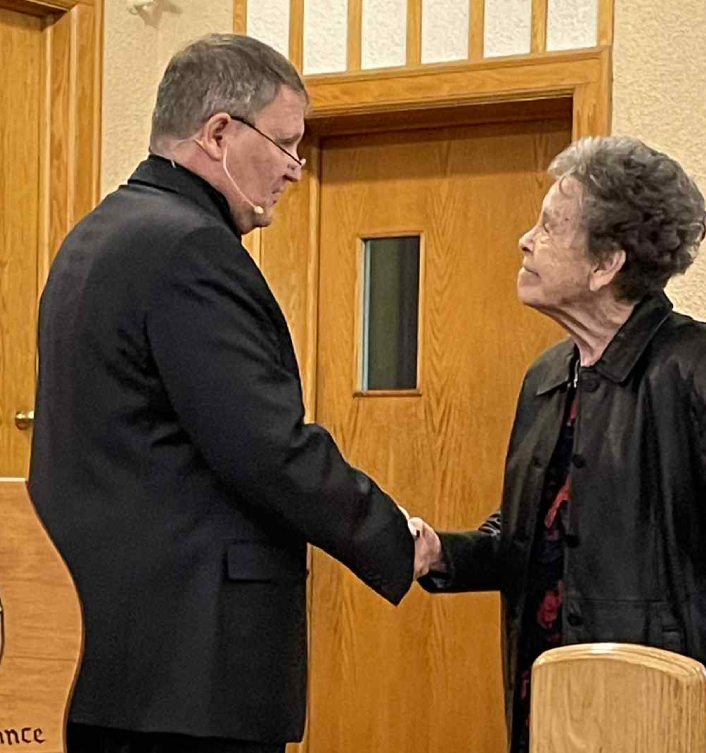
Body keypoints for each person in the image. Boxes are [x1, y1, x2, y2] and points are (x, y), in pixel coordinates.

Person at [409, 136, 706, 752]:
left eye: (549, 227)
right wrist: (440, 553)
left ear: (606, 264)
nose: (525, 241)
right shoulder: (546, 375)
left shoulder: (694, 364)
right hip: (547, 707)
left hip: (655, 708)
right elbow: (528, 540)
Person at [28, 34, 436, 753]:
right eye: (285, 144)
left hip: (97, 653)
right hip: (189, 667)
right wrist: (393, 537)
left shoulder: (94, 236)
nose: (295, 169)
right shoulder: (191, 249)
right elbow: (265, 447)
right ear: (218, 133)